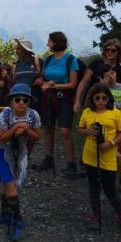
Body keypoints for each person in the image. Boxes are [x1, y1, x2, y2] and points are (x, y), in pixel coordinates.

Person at [77, 83, 121, 231]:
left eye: (104, 98)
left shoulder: (115, 112)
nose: (101, 101)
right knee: (93, 186)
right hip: (90, 156)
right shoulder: (87, 112)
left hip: (108, 157)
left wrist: (112, 143)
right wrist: (88, 131)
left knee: (109, 188)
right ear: (92, 99)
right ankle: (95, 215)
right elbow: (80, 130)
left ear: (109, 98)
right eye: (97, 98)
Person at [0, 83, 41, 242]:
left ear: (29, 102)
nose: (21, 102)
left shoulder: (33, 115)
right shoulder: (5, 115)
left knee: (8, 184)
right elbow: (1, 138)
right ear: (11, 101)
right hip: (0, 151)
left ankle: (5, 213)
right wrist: (17, 127)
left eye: (25, 100)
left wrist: (26, 130)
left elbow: (37, 137)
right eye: (17, 99)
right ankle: (17, 220)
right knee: (9, 182)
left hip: (19, 152)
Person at [39, 31, 80, 178]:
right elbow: (43, 77)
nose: (47, 44)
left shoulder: (71, 60)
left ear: (56, 42)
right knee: (48, 129)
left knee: (65, 131)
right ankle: (49, 158)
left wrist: (53, 86)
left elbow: (72, 84)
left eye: (49, 41)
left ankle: (71, 164)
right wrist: (45, 84)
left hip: (64, 99)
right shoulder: (48, 59)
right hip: (48, 98)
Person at [73, 38, 121, 127]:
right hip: (93, 102)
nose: (110, 52)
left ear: (118, 52)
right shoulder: (95, 64)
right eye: (107, 49)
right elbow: (83, 82)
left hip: (113, 108)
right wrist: (77, 101)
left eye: (113, 50)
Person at [97, 64, 121, 194]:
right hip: (103, 125)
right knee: (102, 152)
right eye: (108, 74)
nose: (112, 76)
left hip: (118, 125)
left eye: (113, 73)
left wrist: (115, 113)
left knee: (117, 154)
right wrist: (103, 85)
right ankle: (102, 179)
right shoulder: (101, 89)